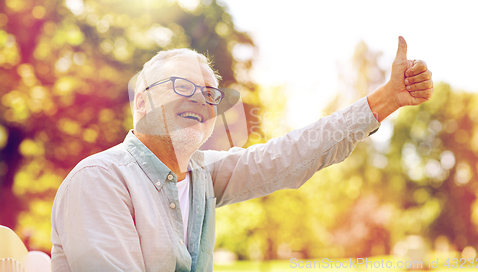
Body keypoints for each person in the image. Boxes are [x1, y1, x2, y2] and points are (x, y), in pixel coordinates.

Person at [50, 36, 433, 271]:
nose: (202, 99)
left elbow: (289, 156)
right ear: (143, 102)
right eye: (183, 87)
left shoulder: (202, 174)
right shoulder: (99, 181)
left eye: (210, 93)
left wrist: (384, 100)